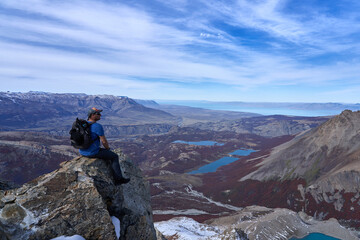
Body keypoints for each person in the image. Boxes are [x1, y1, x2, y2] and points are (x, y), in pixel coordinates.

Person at [79, 107, 130, 185]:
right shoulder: (97, 126)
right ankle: (118, 179)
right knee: (114, 156)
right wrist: (108, 149)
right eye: (98, 114)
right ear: (92, 115)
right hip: (92, 152)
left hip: (82, 151)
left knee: (105, 153)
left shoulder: (83, 125)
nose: (100, 115)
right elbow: (104, 141)